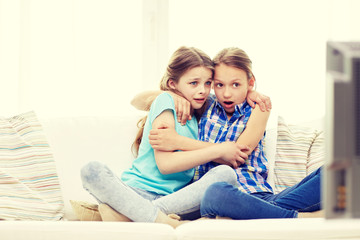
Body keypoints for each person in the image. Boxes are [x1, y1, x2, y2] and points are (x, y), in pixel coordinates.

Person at [80, 46, 250, 228]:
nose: (202, 90)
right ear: (172, 84)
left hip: (177, 201)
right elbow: (166, 165)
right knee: (92, 170)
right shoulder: (166, 101)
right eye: (194, 83)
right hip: (136, 193)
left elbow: (230, 94)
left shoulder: (202, 109)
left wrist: (252, 93)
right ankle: (160, 220)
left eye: (208, 83)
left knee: (226, 174)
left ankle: (136, 216)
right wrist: (218, 149)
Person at [145, 47, 323, 219]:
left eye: (236, 84)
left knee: (334, 172)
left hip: (259, 195)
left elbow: (236, 153)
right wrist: (173, 94)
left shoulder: (258, 108)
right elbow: (137, 100)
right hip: (218, 197)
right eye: (219, 85)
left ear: (251, 82)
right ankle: (299, 217)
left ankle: (268, 213)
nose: (227, 94)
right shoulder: (206, 104)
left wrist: (178, 141)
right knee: (216, 192)